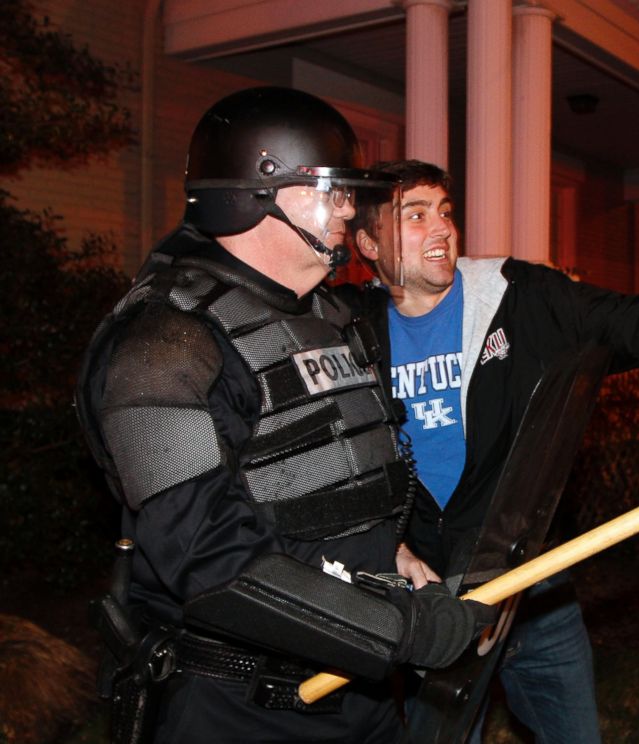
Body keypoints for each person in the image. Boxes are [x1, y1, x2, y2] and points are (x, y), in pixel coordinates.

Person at [75, 88, 494, 744]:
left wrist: (394, 551)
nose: (349, 210)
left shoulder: (325, 316)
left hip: (358, 691)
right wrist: (405, 630)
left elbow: (317, 475)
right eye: (331, 190)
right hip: (238, 709)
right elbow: (211, 567)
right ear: (255, 193)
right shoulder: (162, 347)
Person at [344, 159, 639, 742]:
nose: (443, 228)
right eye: (415, 216)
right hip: (432, 596)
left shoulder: (519, 298)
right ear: (369, 242)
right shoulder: (351, 332)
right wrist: (389, 547)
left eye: (445, 212)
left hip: (532, 580)